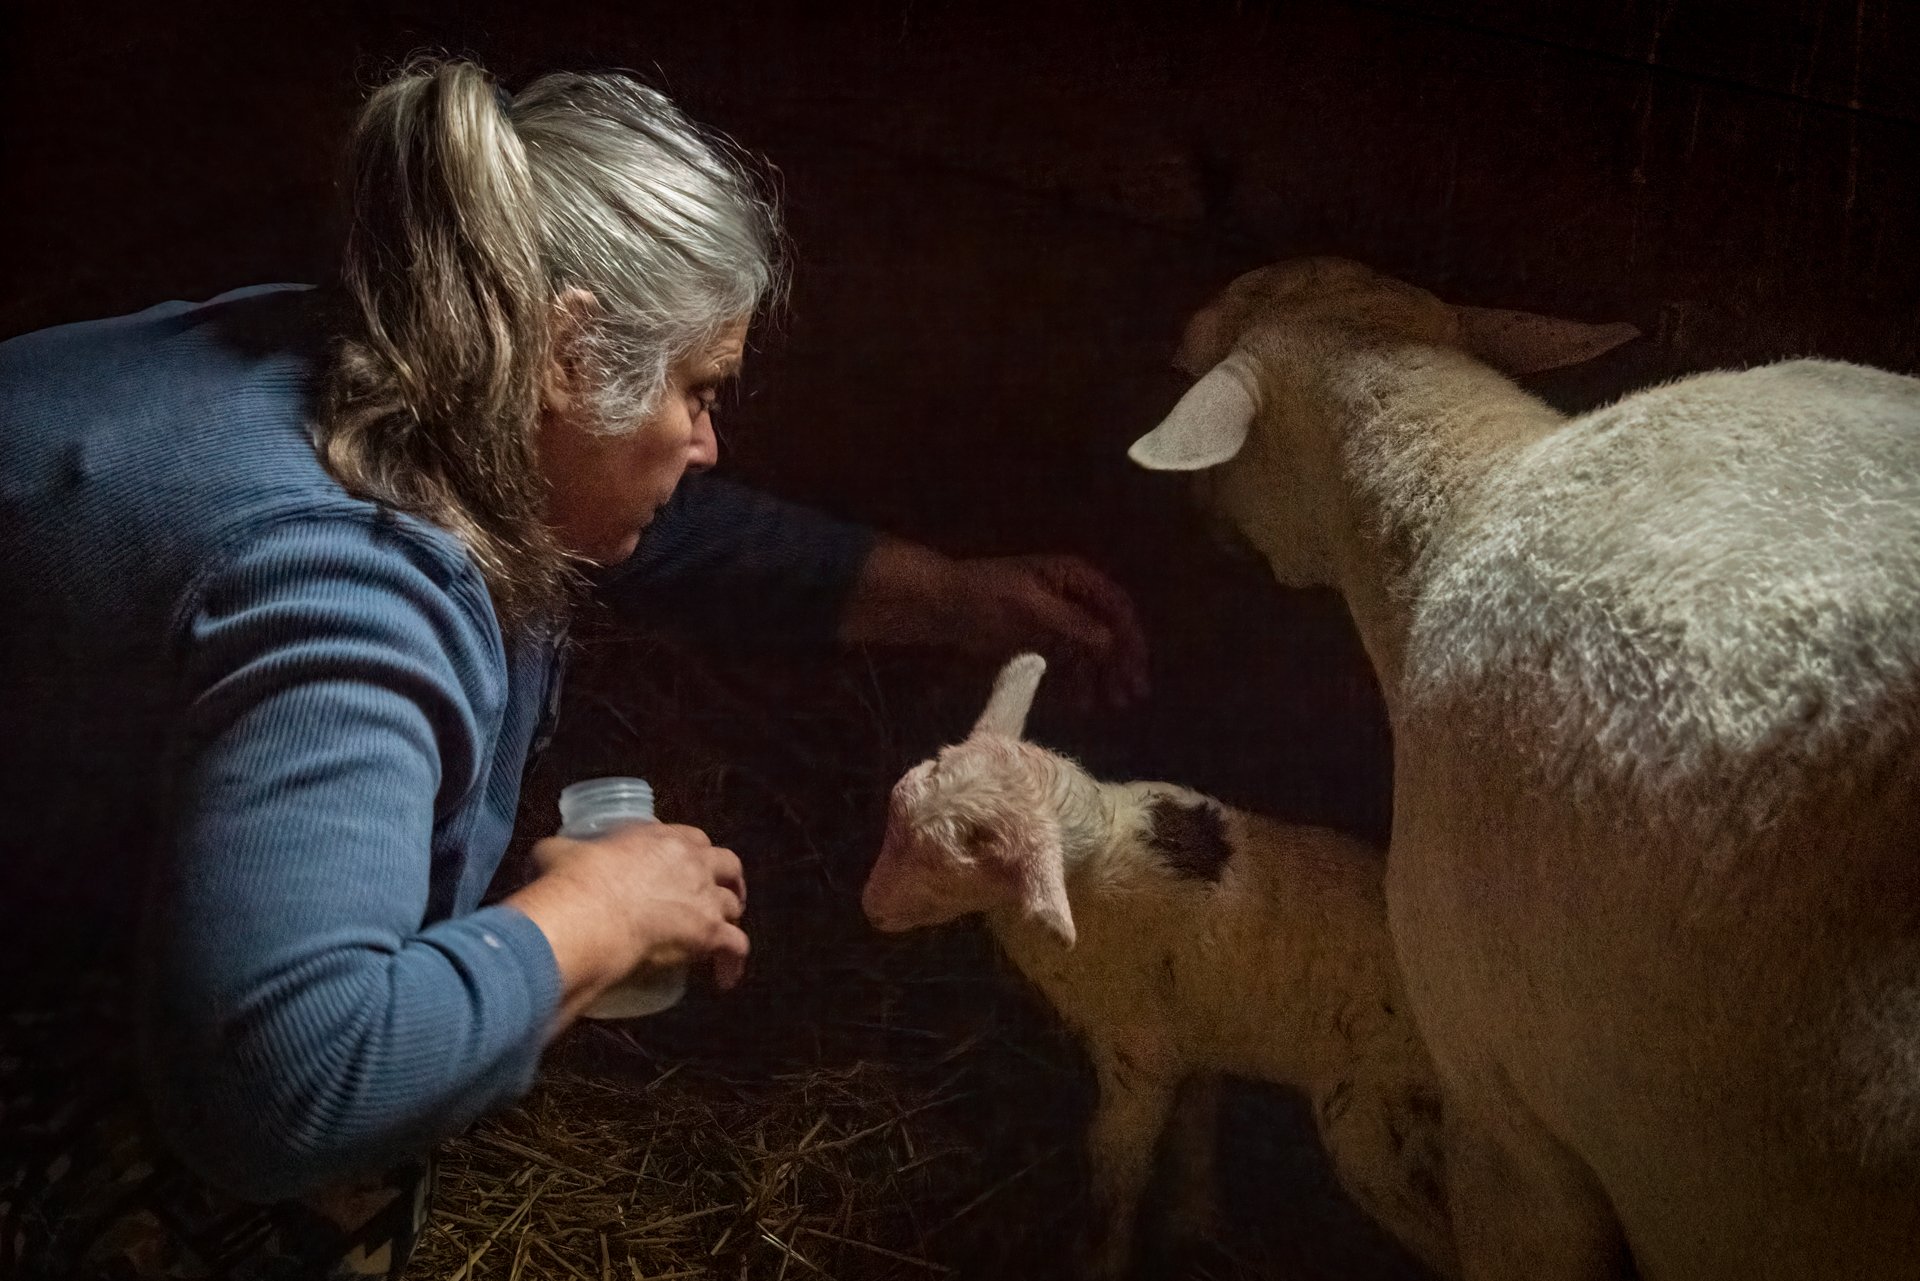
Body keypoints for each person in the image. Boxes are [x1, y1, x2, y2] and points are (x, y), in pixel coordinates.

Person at [0, 59, 1147, 1279]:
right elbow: (288, 1080)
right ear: (564, 350)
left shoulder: (385, 357)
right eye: (698, 391)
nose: (708, 442)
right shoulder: (347, 584)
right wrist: (592, 920)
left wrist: (952, 599)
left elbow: (642, 521)